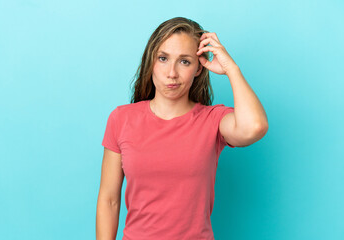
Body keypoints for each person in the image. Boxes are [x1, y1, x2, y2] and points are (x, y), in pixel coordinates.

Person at [96, 17, 268, 240]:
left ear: (199, 68)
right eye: (163, 58)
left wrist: (231, 68)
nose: (172, 73)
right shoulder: (122, 119)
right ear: (151, 62)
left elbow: (255, 126)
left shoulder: (212, 120)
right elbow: (109, 199)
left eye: (184, 61)